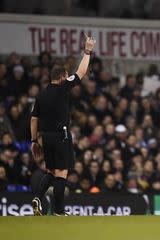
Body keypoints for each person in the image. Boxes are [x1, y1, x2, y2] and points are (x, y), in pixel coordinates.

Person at [30, 34, 96, 216]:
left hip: (45, 137)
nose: (69, 78)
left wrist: (34, 140)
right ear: (62, 77)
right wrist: (87, 51)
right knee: (61, 174)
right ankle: (59, 211)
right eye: (67, 76)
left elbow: (34, 119)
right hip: (61, 135)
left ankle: (37, 198)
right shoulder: (62, 87)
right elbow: (81, 72)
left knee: (51, 172)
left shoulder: (41, 95)